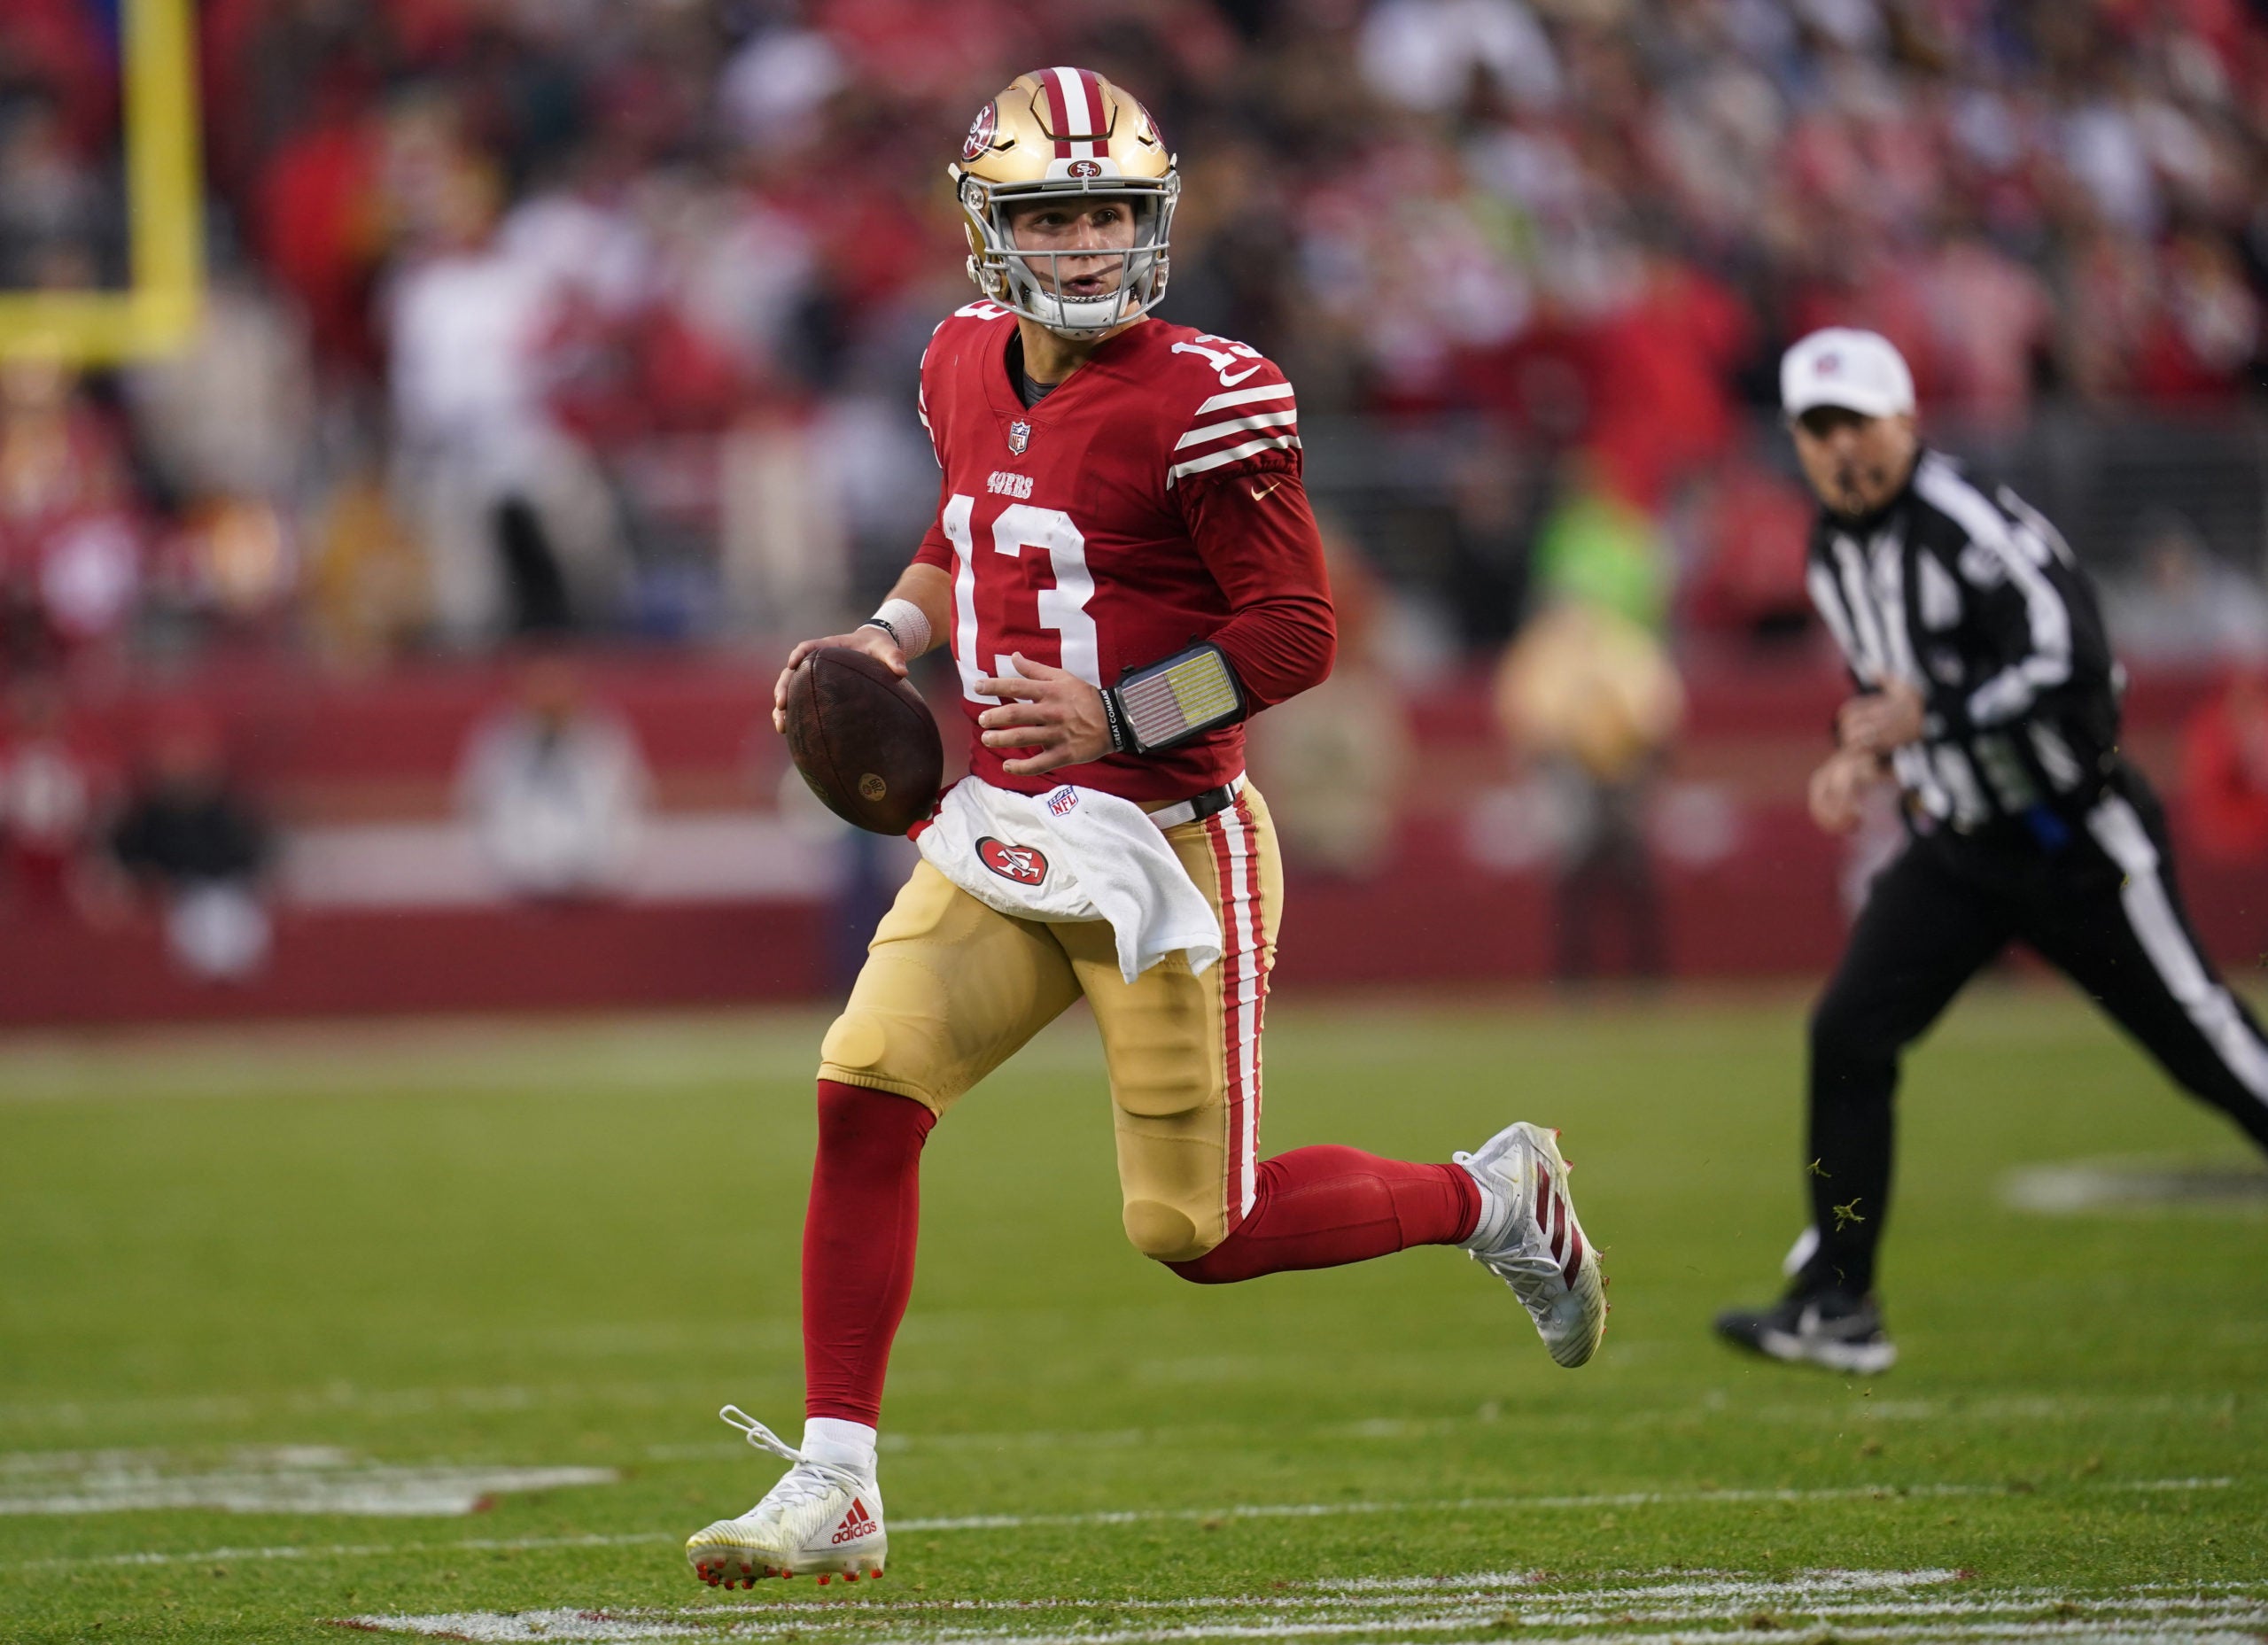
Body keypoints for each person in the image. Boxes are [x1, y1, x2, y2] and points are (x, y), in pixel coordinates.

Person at [684, 68, 1608, 1591]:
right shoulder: (961, 360)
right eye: (1057, 213)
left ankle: (1491, 1197)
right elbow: (964, 532)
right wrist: (881, 640)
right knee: (863, 1087)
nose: (1094, 240)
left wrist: (1119, 712)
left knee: (1199, 1227)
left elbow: (1297, 632)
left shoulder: (1214, 395)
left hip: (1169, 845)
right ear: (993, 229)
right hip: (1008, 827)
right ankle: (838, 1478)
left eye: (1114, 208)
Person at [1713, 328, 2268, 1374]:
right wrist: (1853, 753)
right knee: (1848, 1032)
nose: (1841, 451)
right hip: (1960, 847)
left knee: (2209, 1047)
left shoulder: (1968, 528)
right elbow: (1886, 697)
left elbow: (2076, 665)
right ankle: (1837, 1299)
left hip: (2074, 839)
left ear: (1906, 420)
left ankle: (1835, 1297)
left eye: (1857, 425)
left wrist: (1935, 717)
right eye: (1817, 430)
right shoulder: (1835, 547)